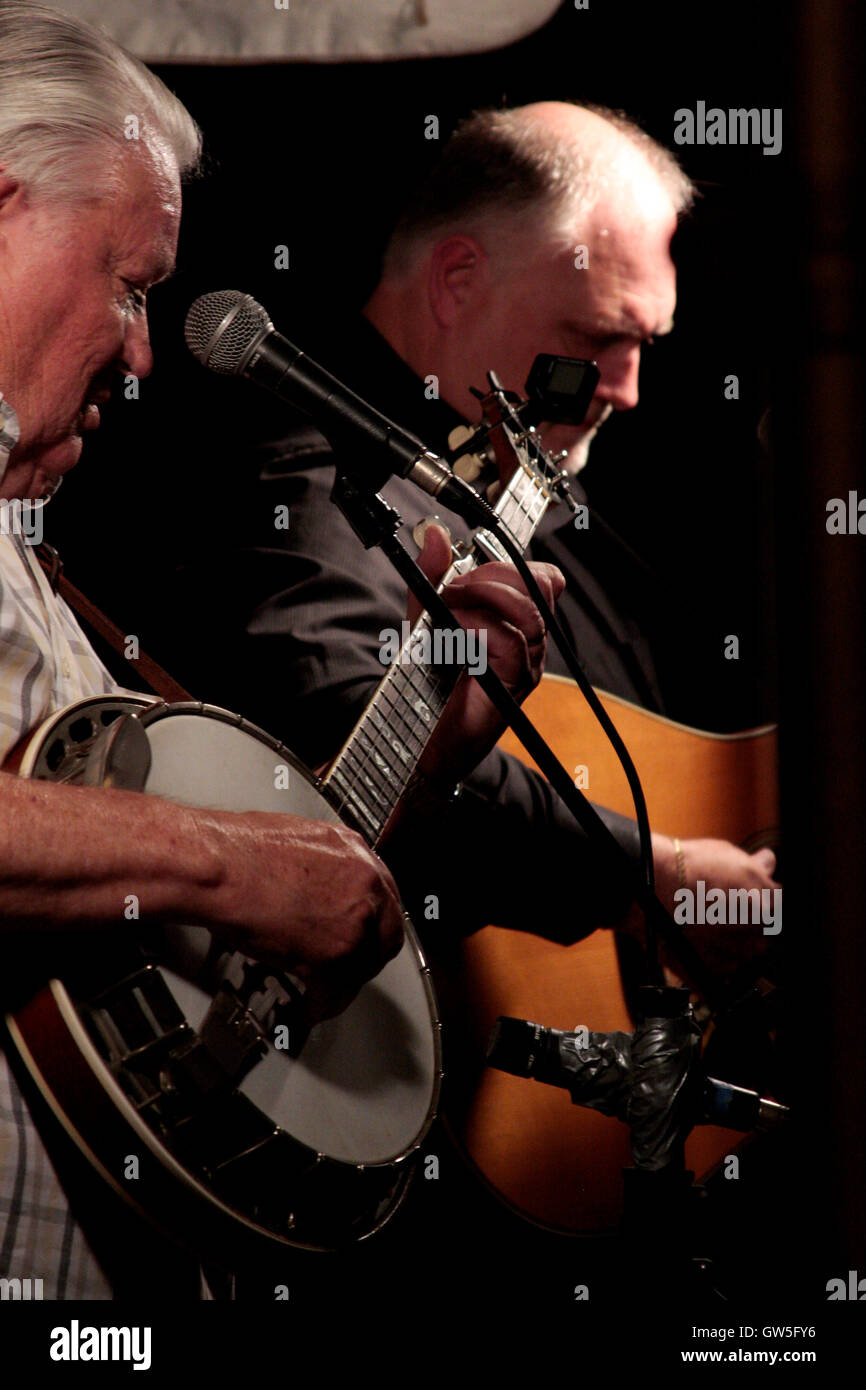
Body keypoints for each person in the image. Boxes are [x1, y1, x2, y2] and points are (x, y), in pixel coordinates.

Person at [0, 4, 558, 1299]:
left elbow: (224, 931)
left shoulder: (38, 572)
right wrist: (219, 863)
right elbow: (218, 876)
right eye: (130, 285)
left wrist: (430, 740)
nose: (142, 351)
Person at [170, 102, 779, 948]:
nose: (629, 387)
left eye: (648, 342)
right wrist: (654, 872)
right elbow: (340, 726)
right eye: (599, 337)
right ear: (457, 282)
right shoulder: (311, 478)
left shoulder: (530, 481)